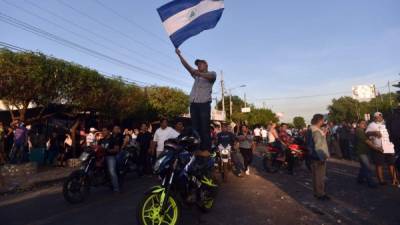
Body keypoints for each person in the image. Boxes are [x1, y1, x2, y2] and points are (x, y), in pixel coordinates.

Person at [175, 48, 216, 159]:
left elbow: (211, 77)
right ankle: (197, 149)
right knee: (195, 128)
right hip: (194, 104)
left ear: (206, 65)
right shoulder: (196, 75)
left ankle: (206, 149)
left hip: (204, 104)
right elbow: (187, 66)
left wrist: (199, 73)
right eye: (197, 65)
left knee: (204, 127)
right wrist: (179, 55)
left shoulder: (211, 74)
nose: (198, 66)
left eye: (200, 64)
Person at [366, 112, 398, 186]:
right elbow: (367, 133)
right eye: (377, 117)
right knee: (379, 165)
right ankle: (381, 180)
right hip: (378, 148)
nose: (378, 118)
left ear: (382, 116)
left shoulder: (387, 123)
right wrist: (374, 133)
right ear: (374, 117)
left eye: (380, 116)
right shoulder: (371, 125)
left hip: (389, 147)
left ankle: (394, 178)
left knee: (391, 164)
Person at [308, 114, 330, 200]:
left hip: (314, 156)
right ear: (320, 120)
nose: (323, 122)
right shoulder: (316, 131)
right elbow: (318, 146)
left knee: (316, 176)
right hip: (318, 157)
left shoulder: (312, 129)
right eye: (323, 120)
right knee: (319, 177)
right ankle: (320, 194)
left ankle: (317, 193)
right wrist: (321, 158)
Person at [354, 119, 378, 188]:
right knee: (368, 167)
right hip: (361, 152)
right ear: (358, 124)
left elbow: (368, 140)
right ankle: (371, 182)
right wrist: (377, 148)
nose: (364, 124)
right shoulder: (359, 131)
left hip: (365, 151)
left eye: (365, 123)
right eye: (362, 123)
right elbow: (367, 141)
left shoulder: (363, 131)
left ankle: (360, 179)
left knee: (363, 167)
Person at [98, 127, 121, 193]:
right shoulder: (101, 140)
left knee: (112, 171)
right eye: (102, 131)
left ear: (108, 131)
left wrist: (107, 150)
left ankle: (116, 188)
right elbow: (98, 148)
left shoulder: (113, 139)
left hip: (110, 156)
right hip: (101, 157)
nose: (103, 132)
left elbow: (117, 149)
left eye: (104, 130)